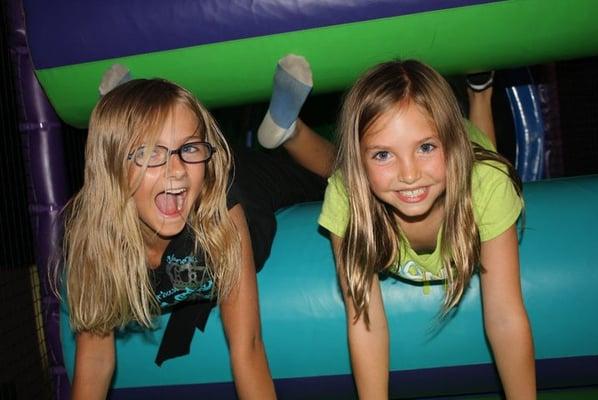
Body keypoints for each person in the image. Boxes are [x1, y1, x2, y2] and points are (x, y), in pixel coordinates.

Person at [60, 55, 330, 399]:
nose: (176, 170)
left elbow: (246, 345)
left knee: (342, 174)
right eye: (148, 151)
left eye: (186, 147)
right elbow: (95, 357)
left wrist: (170, 155)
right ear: (112, 165)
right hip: (160, 179)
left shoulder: (221, 213)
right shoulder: (94, 237)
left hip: (241, 182)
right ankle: (133, 112)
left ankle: (286, 128)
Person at [314, 60, 535, 399]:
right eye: (383, 155)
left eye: (425, 148)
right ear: (358, 160)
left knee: (487, 153)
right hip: (447, 148)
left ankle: (479, 93)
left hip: (470, 157)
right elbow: (364, 320)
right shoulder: (346, 198)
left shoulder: (487, 184)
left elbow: (505, 313)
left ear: (448, 143)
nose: (410, 173)